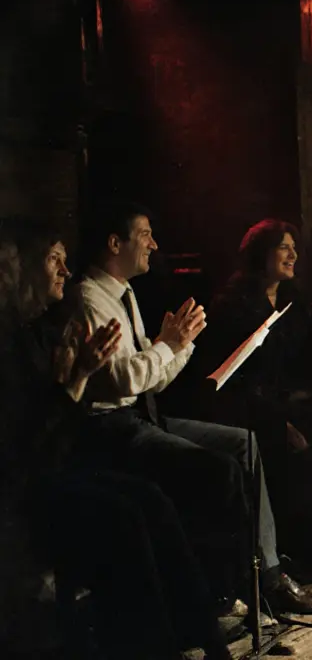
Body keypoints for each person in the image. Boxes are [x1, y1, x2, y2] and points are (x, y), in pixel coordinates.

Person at [70, 201, 312, 614]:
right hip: (112, 425)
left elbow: (154, 377)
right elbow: (121, 380)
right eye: (144, 235)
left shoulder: (123, 294)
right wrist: (169, 344)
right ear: (113, 242)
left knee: (244, 445)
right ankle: (223, 593)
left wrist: (182, 343)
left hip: (143, 414)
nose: (154, 244)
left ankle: (266, 576)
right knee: (217, 468)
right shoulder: (90, 299)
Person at [0, 217, 231, 660]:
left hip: (56, 465)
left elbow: (61, 421)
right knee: (127, 514)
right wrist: (77, 380)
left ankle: (206, 638)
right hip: (23, 491)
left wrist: (173, 345)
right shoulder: (18, 340)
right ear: (23, 270)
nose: (66, 273)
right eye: (54, 261)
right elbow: (31, 442)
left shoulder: (40, 332)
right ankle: (158, 647)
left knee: (151, 500)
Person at [195, 220, 312, 574]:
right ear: (261, 254)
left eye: (293, 247)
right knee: (297, 443)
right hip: (247, 405)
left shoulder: (292, 300)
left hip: (288, 400)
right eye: (284, 247)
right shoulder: (233, 303)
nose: (293, 254)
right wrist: (279, 418)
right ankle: (309, 548)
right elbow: (233, 376)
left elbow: (306, 358)